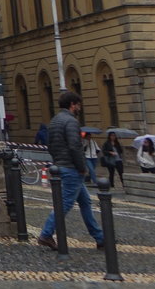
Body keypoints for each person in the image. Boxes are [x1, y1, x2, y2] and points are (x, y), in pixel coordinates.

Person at [36, 91, 105, 251]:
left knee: (85, 202)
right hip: (71, 168)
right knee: (65, 203)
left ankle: (100, 237)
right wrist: (82, 168)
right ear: (73, 104)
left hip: (60, 165)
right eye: (78, 105)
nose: (79, 108)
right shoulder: (71, 122)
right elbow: (75, 147)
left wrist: (58, 161)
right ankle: (46, 234)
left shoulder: (54, 121)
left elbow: (51, 145)